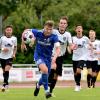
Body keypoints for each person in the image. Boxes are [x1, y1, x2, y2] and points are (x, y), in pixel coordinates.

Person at [21, 20, 60, 99]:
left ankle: (38, 85)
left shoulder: (54, 36)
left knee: (45, 75)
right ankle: (46, 91)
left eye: (50, 29)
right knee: (45, 70)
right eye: (47, 29)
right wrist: (23, 43)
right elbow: (25, 31)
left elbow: (58, 49)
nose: (48, 31)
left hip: (48, 58)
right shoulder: (38, 32)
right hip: (38, 56)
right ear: (44, 28)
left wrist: (55, 57)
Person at [48, 16, 72, 96]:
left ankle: (50, 91)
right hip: (52, 55)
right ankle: (47, 87)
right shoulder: (54, 32)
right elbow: (45, 35)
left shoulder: (68, 34)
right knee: (53, 68)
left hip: (60, 56)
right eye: (61, 23)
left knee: (56, 76)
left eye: (64, 23)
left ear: (66, 25)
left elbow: (70, 45)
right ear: (59, 24)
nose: (62, 25)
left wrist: (71, 48)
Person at [71, 25, 89, 91]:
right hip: (75, 57)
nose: (79, 29)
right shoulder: (73, 38)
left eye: (80, 28)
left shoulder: (86, 38)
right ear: (76, 30)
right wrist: (71, 48)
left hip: (83, 57)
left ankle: (77, 86)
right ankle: (77, 84)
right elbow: (70, 47)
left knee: (78, 70)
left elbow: (90, 45)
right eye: (77, 28)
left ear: (82, 30)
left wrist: (91, 49)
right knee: (76, 72)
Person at [0, 25, 17, 92]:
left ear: (12, 31)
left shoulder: (14, 38)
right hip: (2, 57)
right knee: (4, 71)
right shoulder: (2, 38)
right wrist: (3, 48)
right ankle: (6, 84)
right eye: (7, 30)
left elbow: (15, 47)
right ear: (5, 31)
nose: (9, 31)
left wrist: (14, 54)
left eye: (10, 30)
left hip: (10, 57)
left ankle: (4, 84)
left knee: (7, 69)